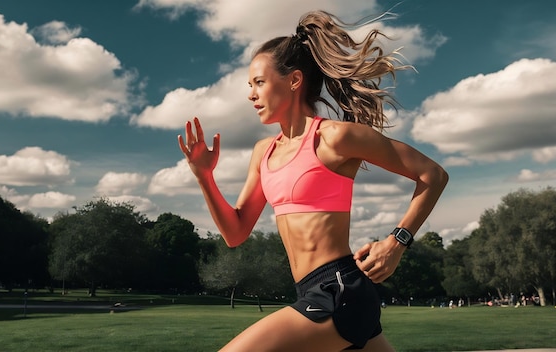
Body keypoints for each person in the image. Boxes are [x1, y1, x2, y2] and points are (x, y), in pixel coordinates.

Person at [178, 10, 448, 352]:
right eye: (250, 85)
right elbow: (236, 232)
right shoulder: (264, 152)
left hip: (338, 292)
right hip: (312, 293)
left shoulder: (334, 138)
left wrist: (396, 243)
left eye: (259, 82)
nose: (251, 94)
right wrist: (204, 177)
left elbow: (432, 174)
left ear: (293, 81)